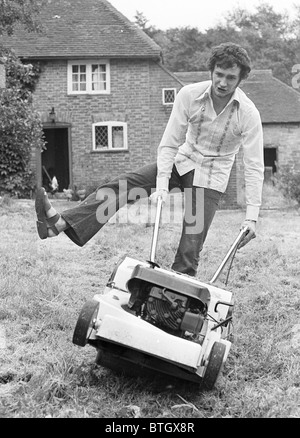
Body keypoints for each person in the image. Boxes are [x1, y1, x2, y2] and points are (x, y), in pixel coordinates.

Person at [35, 42, 264, 277]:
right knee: (121, 187)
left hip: (211, 178)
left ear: (240, 80)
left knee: (191, 242)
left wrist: (251, 217)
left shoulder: (247, 113)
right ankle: (59, 224)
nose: (222, 83)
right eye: (219, 75)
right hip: (182, 162)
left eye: (230, 78)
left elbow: (254, 166)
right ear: (212, 71)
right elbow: (169, 143)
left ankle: (174, 300)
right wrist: (162, 184)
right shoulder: (190, 95)